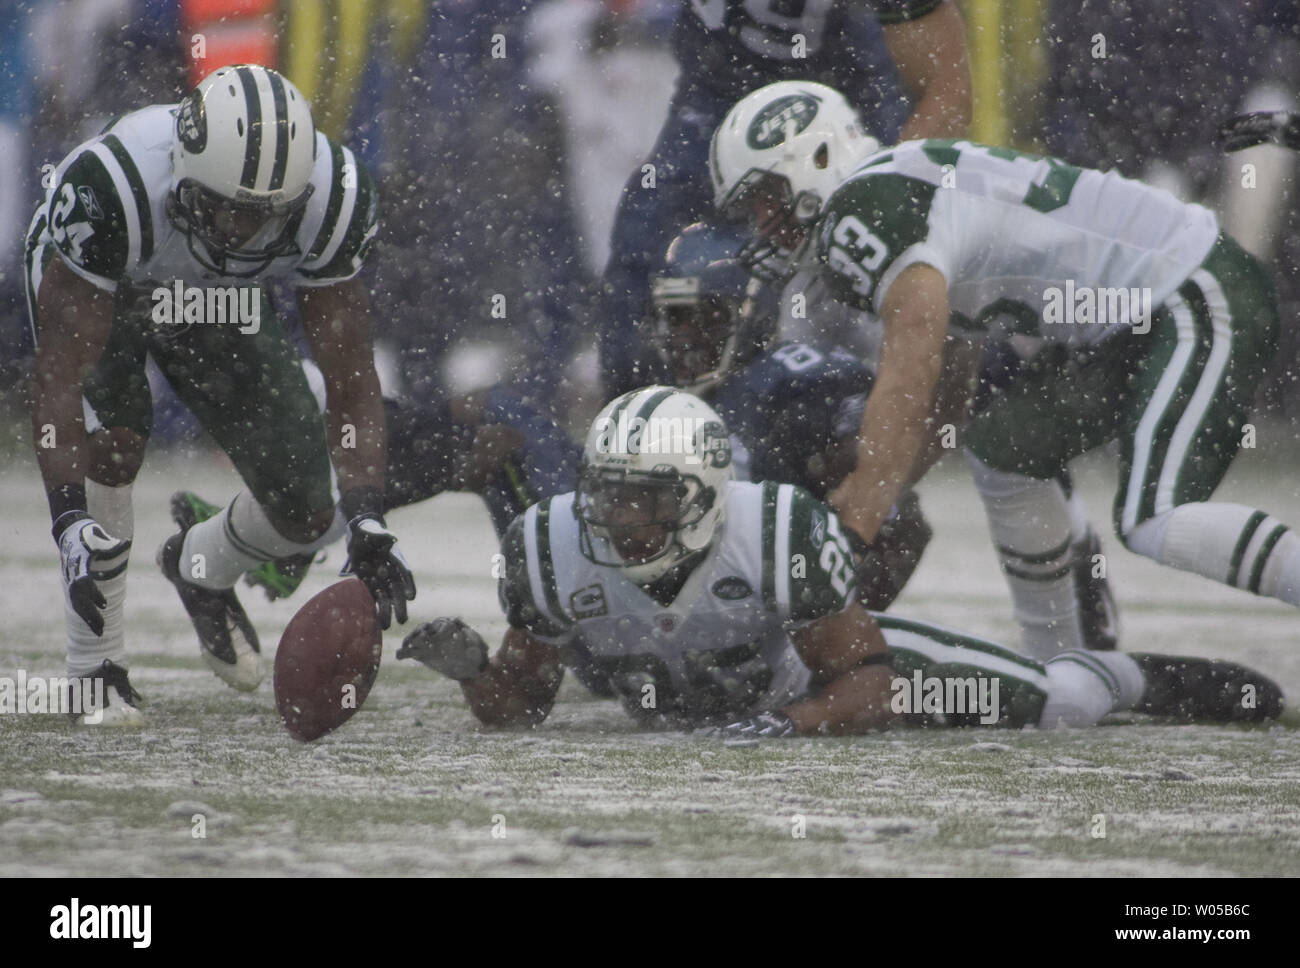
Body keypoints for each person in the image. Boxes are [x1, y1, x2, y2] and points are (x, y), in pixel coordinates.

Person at [709, 80, 1300, 657]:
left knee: (1158, 518)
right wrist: (879, 491)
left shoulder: (862, 209)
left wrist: (862, 510)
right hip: (1134, 319)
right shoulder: (893, 194)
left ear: (816, 157)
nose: (764, 223)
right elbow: (944, 397)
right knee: (1005, 453)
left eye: (766, 197)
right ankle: (1068, 662)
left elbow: (911, 359)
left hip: (1191, 289)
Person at [397, 389, 1284, 734]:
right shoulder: (553, 551)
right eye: (607, 492)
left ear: (703, 495)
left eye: (643, 497)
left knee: (1059, 704)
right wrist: (477, 673)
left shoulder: (775, 531)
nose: (615, 516)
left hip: (804, 678)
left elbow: (868, 684)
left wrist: (789, 724)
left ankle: (1189, 683)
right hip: (720, 705)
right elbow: (520, 710)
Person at [27, 64, 415, 724]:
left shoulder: (334, 200)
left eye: (260, 218)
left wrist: (370, 513)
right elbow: (61, 379)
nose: (236, 233)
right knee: (114, 441)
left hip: (214, 297)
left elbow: (351, 382)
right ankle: (95, 668)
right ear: (182, 165)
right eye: (221, 209)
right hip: (109, 278)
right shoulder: (112, 189)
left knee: (309, 511)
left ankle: (199, 563)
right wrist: (67, 515)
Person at [600, 0, 972, 399]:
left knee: (889, 238)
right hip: (720, 85)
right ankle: (632, 418)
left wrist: (898, 176)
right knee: (644, 239)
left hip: (851, 86)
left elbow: (945, 87)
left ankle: (863, 408)